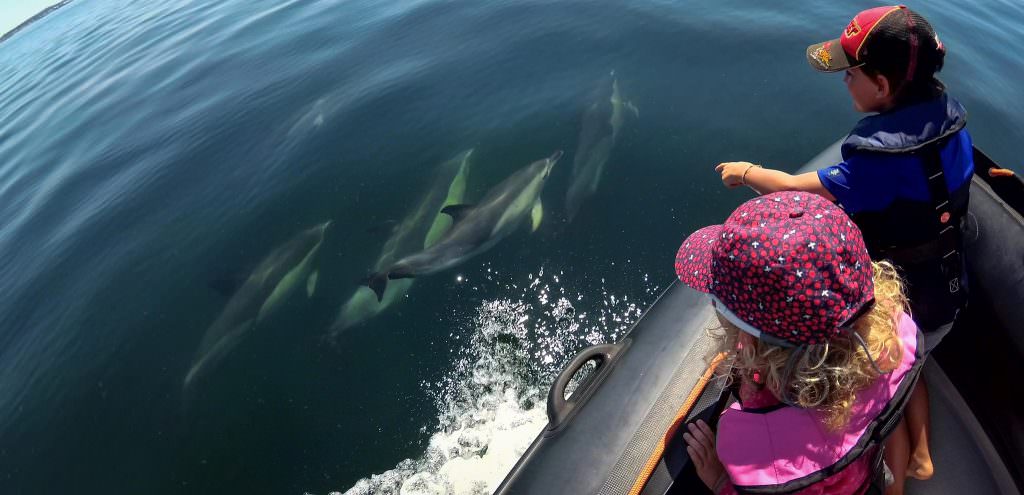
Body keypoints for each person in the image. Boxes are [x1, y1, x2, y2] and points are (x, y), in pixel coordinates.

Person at [715, 5, 970, 484]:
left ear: (883, 86)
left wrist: (744, 172)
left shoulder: (876, 161)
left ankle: (894, 455)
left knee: (885, 379)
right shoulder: (951, 120)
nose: (844, 82)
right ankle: (922, 452)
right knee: (913, 366)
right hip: (950, 284)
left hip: (903, 298)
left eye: (850, 73)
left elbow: (793, 186)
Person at [676, 191, 923, 494]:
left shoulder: (761, 447)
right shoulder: (886, 341)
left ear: (753, 343)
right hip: (864, 469)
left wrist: (718, 481)